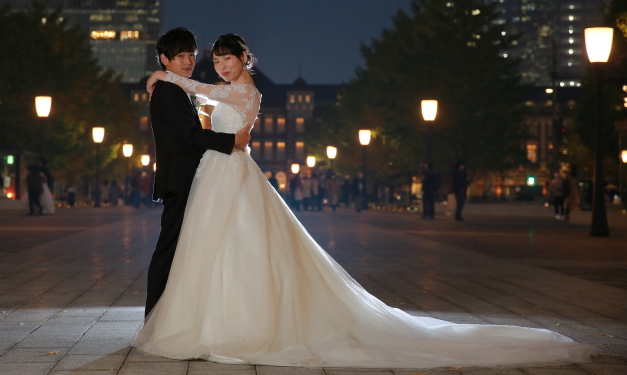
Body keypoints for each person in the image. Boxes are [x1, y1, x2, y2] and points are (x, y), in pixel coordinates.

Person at [134, 33, 595, 368]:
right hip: (215, 170)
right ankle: (210, 310)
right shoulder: (218, 88)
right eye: (213, 60)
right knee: (212, 243)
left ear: (242, 60)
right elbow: (204, 114)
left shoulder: (245, 90)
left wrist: (162, 76)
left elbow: (216, 109)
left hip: (231, 169)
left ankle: (230, 317)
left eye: (225, 58)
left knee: (237, 240)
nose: (218, 65)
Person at [144, 27, 249, 318]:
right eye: (180, 56)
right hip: (179, 178)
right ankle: (154, 317)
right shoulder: (169, 92)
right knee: (169, 247)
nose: (189, 61)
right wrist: (231, 141)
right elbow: (190, 135)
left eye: (191, 54)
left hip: (185, 176)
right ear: (165, 59)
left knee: (179, 247)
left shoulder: (175, 88)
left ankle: (166, 316)